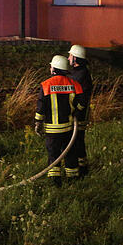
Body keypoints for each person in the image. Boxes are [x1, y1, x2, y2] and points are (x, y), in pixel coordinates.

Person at [34, 54, 85, 186]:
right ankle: (73, 179)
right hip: (68, 128)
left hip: (52, 130)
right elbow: (82, 103)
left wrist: (38, 122)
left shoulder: (45, 85)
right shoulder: (74, 84)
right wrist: (76, 112)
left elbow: (41, 107)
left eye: (51, 66)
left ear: (54, 69)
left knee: (53, 154)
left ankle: (55, 181)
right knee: (69, 152)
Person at [66, 44, 93, 177]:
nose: (68, 58)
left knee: (77, 142)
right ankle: (80, 167)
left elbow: (83, 98)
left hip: (79, 115)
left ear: (76, 59)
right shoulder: (77, 73)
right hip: (76, 113)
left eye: (70, 55)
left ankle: (82, 169)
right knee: (75, 141)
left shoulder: (81, 75)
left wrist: (77, 111)